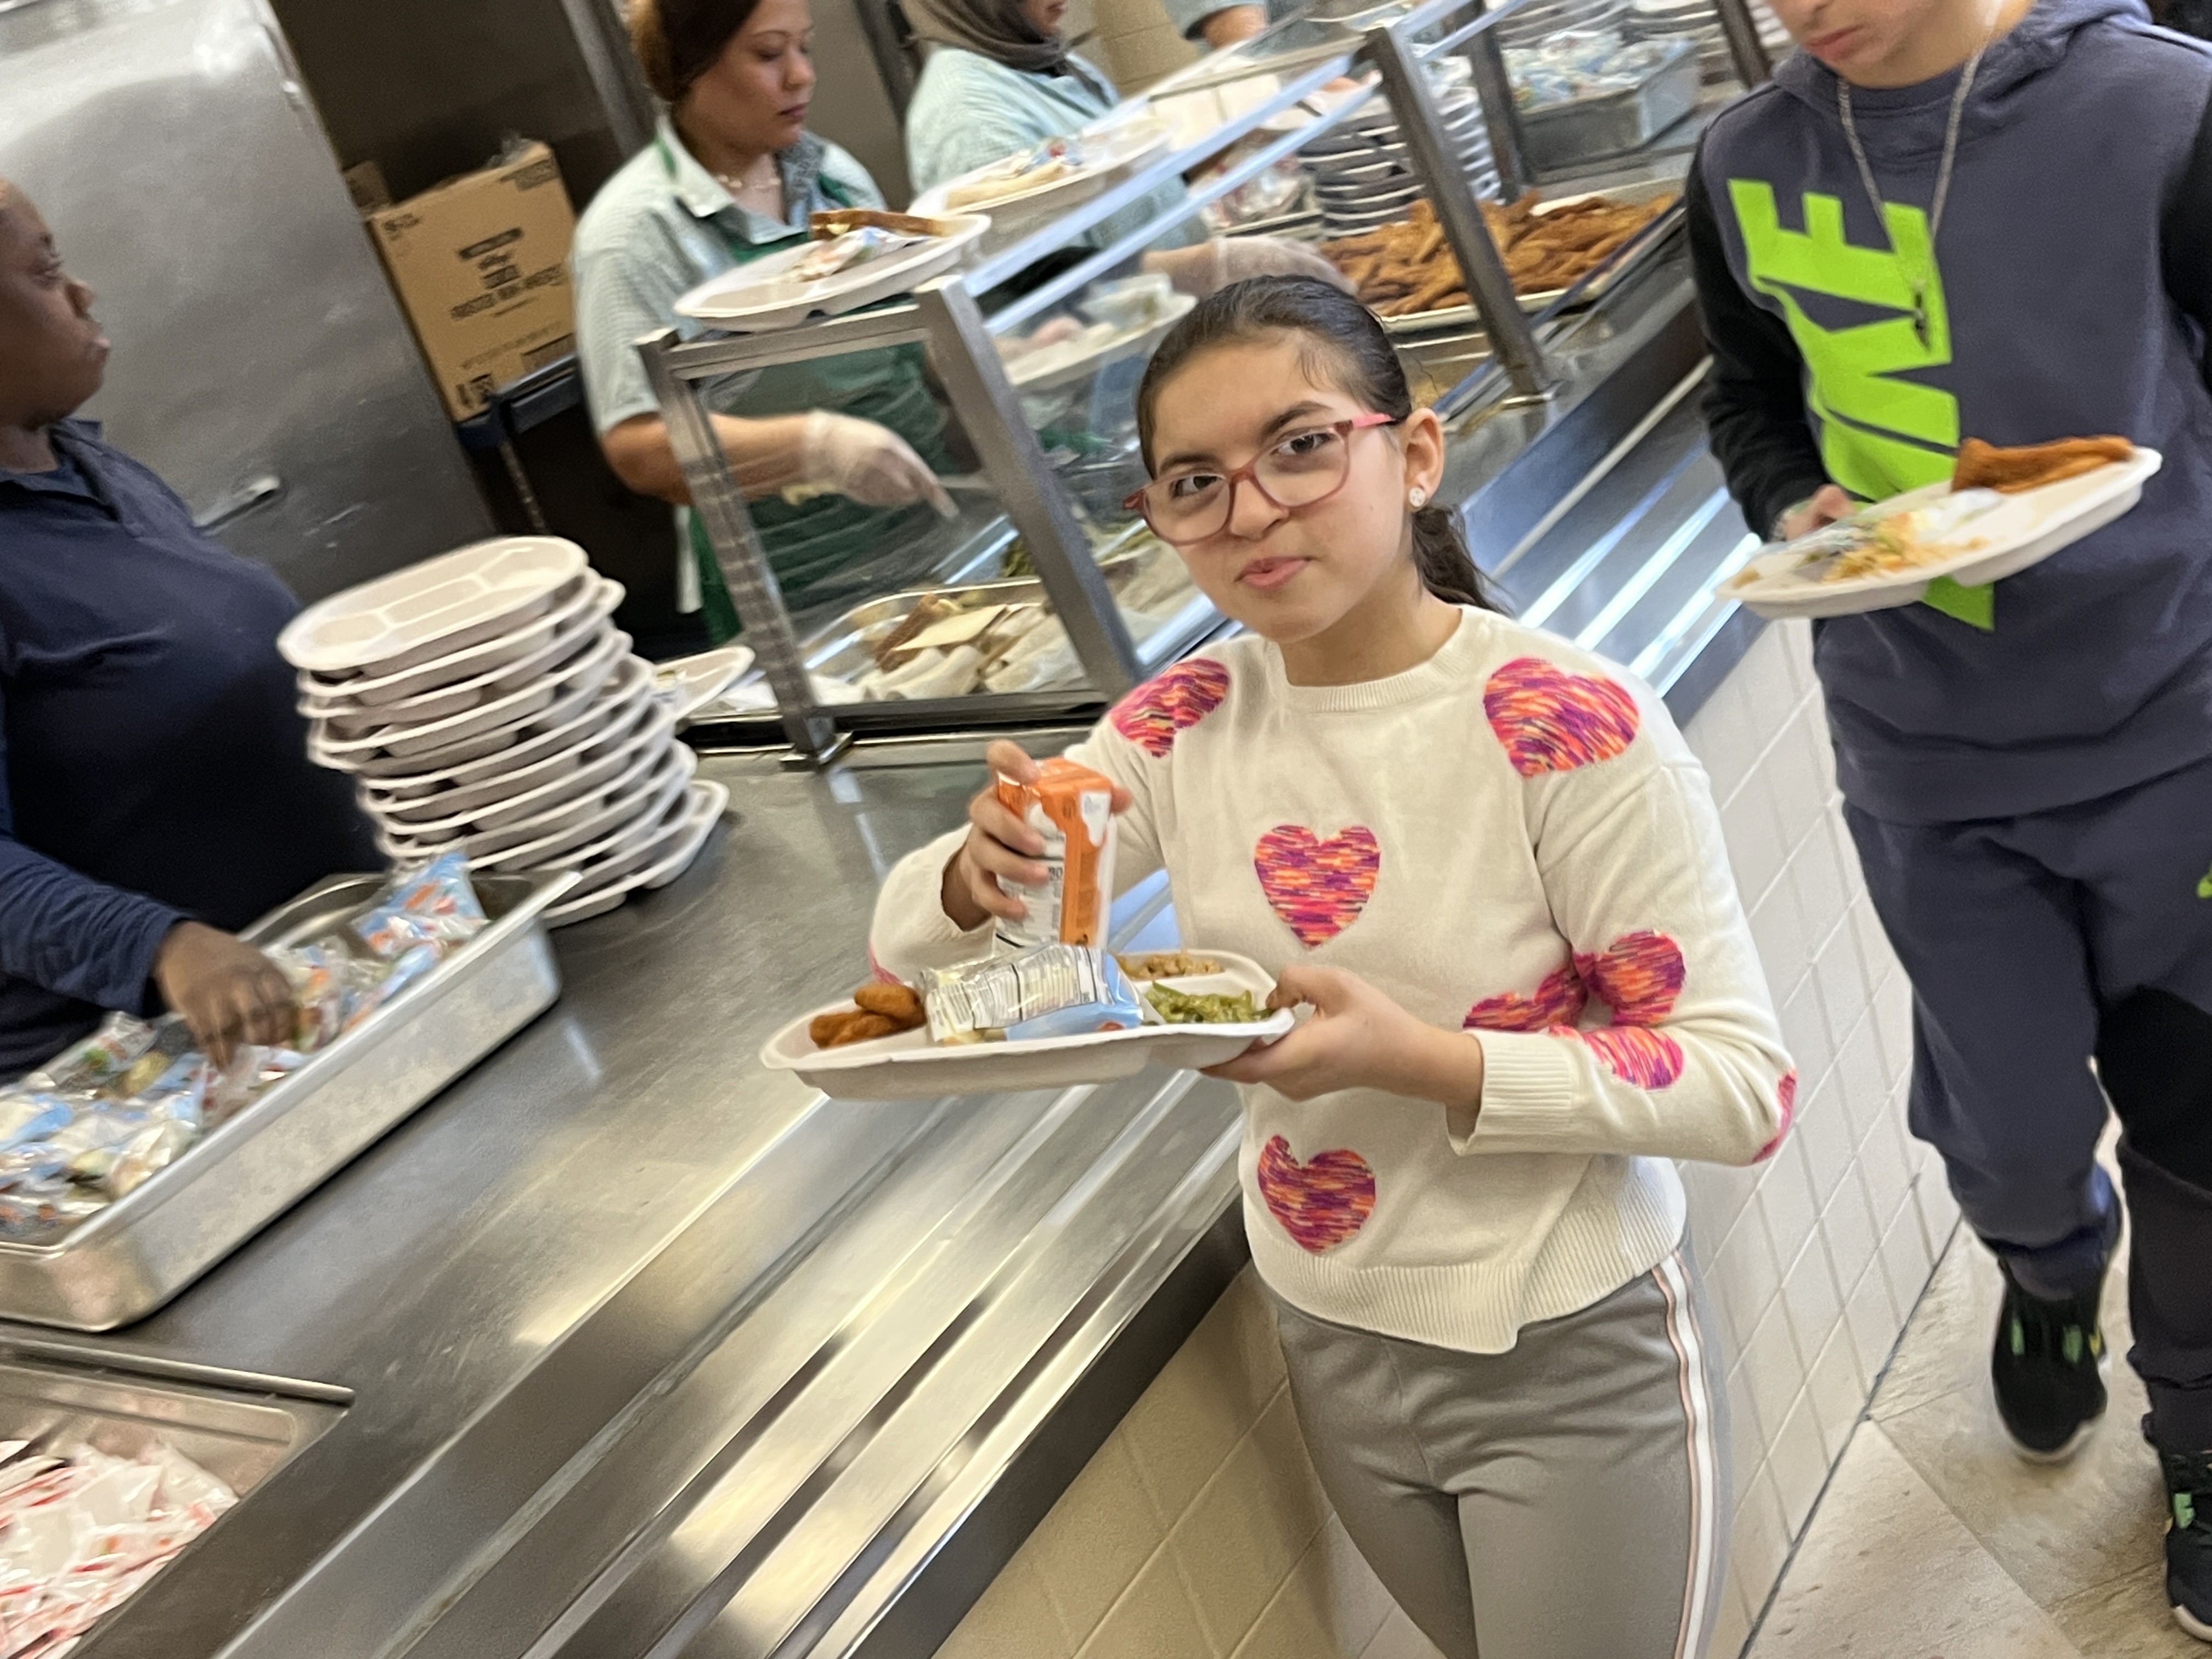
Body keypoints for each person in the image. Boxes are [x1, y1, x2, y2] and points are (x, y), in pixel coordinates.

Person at [871, 278, 1793, 1659]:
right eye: (1194, 482)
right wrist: (972, 868)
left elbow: (1738, 1088)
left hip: (1561, 1344)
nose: (1249, 511)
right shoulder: (1180, 723)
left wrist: (1413, 1058)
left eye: (1301, 446)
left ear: (1414, 454)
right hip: (1332, 1334)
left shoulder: (1562, 723)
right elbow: (913, 949)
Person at [1686, 0, 2212, 1634]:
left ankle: (2200, 1445)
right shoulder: (1744, 161)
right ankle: (2048, 1262)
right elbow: (1750, 399)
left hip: (2179, 720)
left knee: (2202, 1132)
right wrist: (1798, 504)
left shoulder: (2166, 113)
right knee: (2019, 1133)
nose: (1799, 9)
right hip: (1928, 754)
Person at [0, 177, 376, 1078]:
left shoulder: (88, 461)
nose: (82, 291)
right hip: (149, 1070)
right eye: (46, 272)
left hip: (302, 991)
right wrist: (162, 945)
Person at [574, 0, 960, 647]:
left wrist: (996, 358)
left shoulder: (831, 177)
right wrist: (817, 447)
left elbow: (897, 329)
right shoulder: (634, 234)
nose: (802, 75)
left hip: (935, 520)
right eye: (768, 54)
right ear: (692, 67)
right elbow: (639, 447)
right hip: (798, 583)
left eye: (804, 48)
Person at [901, 0, 1344, 292]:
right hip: (1106, 390)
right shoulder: (968, 115)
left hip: (1178, 334)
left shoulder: (1051, 61)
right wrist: (1211, 266)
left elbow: (1128, 190)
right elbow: (1045, 287)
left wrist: (1237, 127)